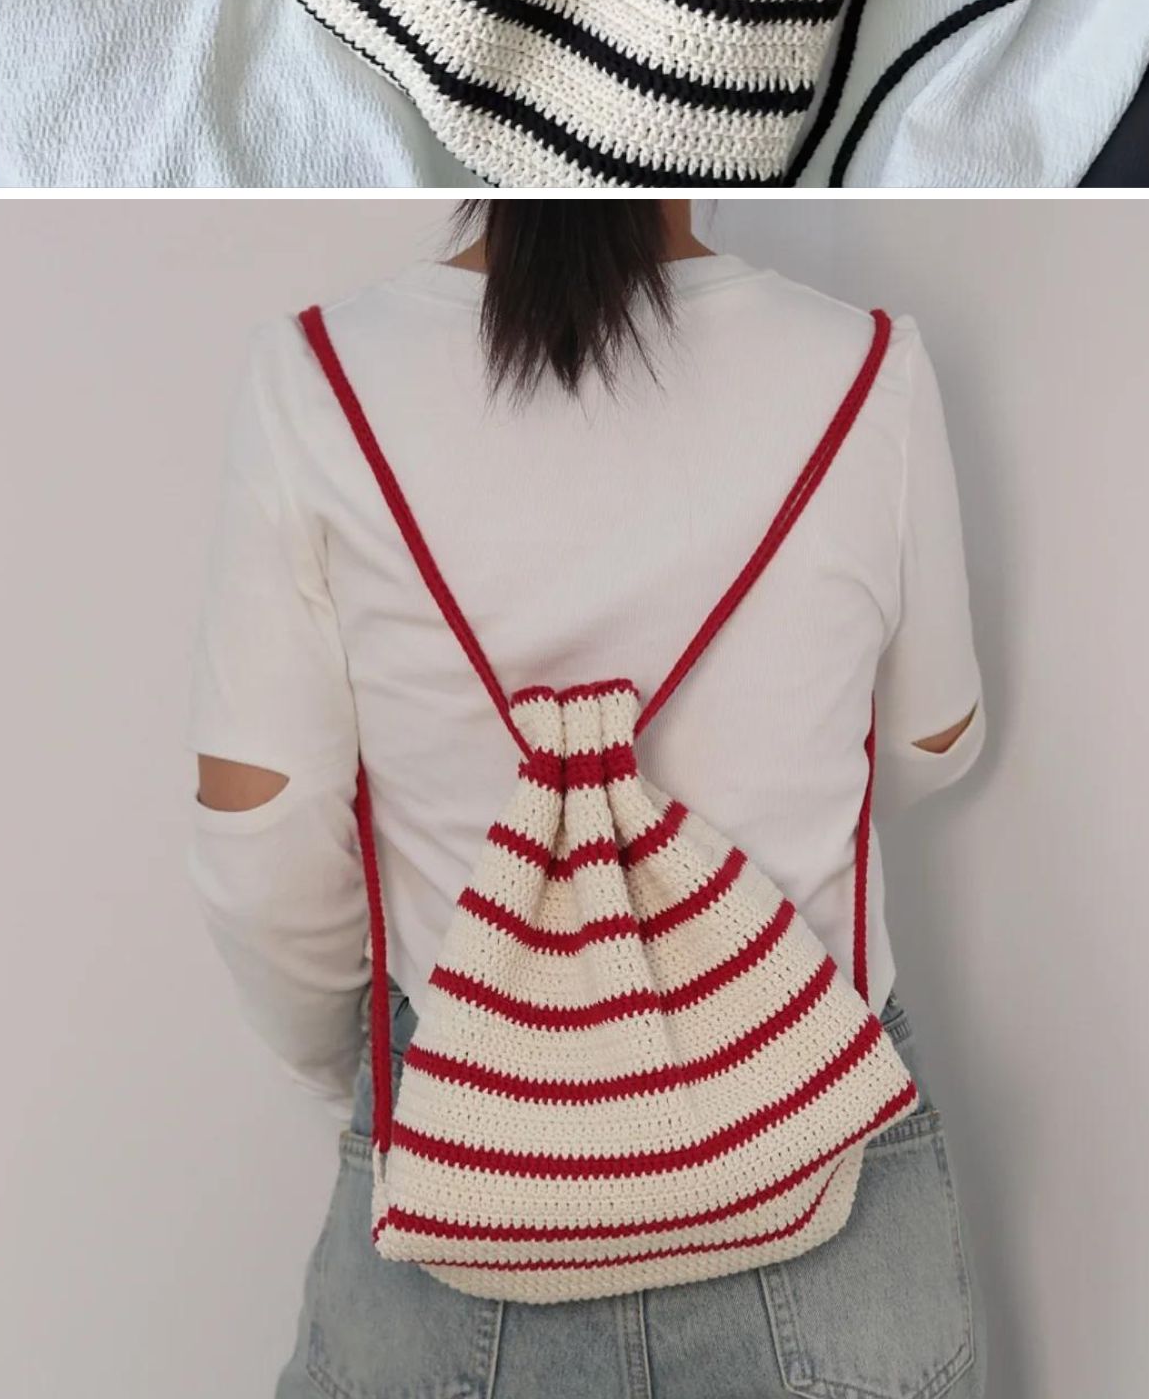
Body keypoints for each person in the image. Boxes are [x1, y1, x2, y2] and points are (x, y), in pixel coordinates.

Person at [190, 199, 987, 1397]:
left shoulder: (318, 383)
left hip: (457, 1210)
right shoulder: (866, 372)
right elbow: (933, 744)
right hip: (828, 1195)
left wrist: (372, 1079)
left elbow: (262, 849)